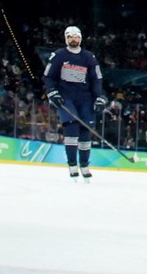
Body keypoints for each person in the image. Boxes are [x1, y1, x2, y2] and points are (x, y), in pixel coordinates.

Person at [43, 25, 108, 180]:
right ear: (66, 38)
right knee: (71, 126)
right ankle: (72, 164)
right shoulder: (58, 55)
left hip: (86, 99)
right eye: (71, 36)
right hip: (66, 98)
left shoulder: (89, 57)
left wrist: (100, 97)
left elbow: (96, 79)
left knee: (86, 129)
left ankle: (84, 165)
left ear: (80, 38)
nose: (74, 39)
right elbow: (48, 77)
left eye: (76, 36)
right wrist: (52, 92)